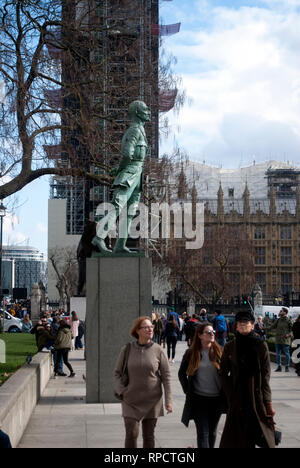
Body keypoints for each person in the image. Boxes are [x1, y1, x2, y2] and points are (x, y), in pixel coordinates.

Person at [92, 100, 151, 254]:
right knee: (117, 207)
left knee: (130, 211)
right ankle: (99, 238)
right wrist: (119, 170)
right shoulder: (134, 131)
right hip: (128, 175)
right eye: (145, 109)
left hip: (136, 177)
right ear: (137, 112)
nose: (148, 111)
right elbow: (127, 154)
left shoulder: (140, 131)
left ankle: (120, 245)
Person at [219, 310, 276, 448]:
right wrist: (230, 394)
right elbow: (222, 373)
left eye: (247, 322)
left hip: (256, 397)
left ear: (252, 325)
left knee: (257, 433)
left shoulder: (261, 345)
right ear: (236, 326)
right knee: (238, 437)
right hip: (237, 396)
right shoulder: (230, 346)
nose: (243, 325)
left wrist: (268, 402)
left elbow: (266, 375)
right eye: (240, 323)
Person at [114, 316, 173, 448]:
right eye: (146, 327)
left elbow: (167, 376)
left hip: (152, 400)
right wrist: (121, 391)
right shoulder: (127, 349)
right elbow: (117, 372)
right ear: (138, 330)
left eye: (151, 327)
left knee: (149, 436)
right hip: (130, 400)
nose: (150, 329)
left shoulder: (158, 350)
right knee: (131, 434)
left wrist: (168, 401)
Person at [178, 322, 224, 448]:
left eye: (213, 332)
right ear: (200, 335)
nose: (212, 334)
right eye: (208, 332)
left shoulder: (220, 352)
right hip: (199, 399)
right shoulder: (191, 353)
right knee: (203, 433)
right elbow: (181, 373)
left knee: (212, 432)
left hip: (217, 400)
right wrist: (188, 390)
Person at [269, 307, 293, 372]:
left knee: (287, 354)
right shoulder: (278, 320)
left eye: (281, 311)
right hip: (278, 339)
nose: (280, 312)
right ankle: (279, 367)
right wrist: (263, 328)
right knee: (278, 354)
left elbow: (292, 329)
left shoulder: (289, 320)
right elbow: (272, 326)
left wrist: (289, 334)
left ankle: (287, 367)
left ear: (285, 312)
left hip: (285, 340)